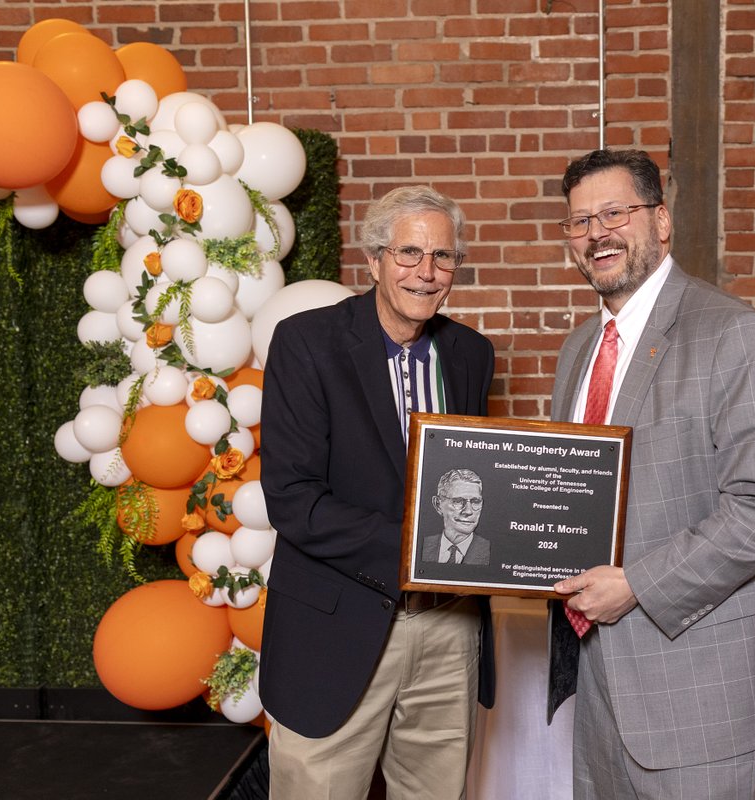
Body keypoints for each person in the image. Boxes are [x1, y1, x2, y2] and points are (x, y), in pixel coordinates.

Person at [547, 148, 755, 799]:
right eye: (580, 222)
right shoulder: (580, 348)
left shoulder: (735, 334)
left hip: (697, 684)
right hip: (600, 679)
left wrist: (637, 583)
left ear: (661, 221)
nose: (596, 234)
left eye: (615, 212)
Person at [259, 185, 496, 799]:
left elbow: (472, 480)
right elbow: (293, 498)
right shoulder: (307, 343)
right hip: (338, 623)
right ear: (373, 261)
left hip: (450, 630)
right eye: (409, 253)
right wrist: (414, 550)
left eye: (443, 257)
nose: (427, 272)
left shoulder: (470, 353)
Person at [422, 468, 491, 565]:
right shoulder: (420, 547)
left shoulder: (491, 551)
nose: (468, 511)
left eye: (475, 502)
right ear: (438, 504)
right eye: (458, 501)